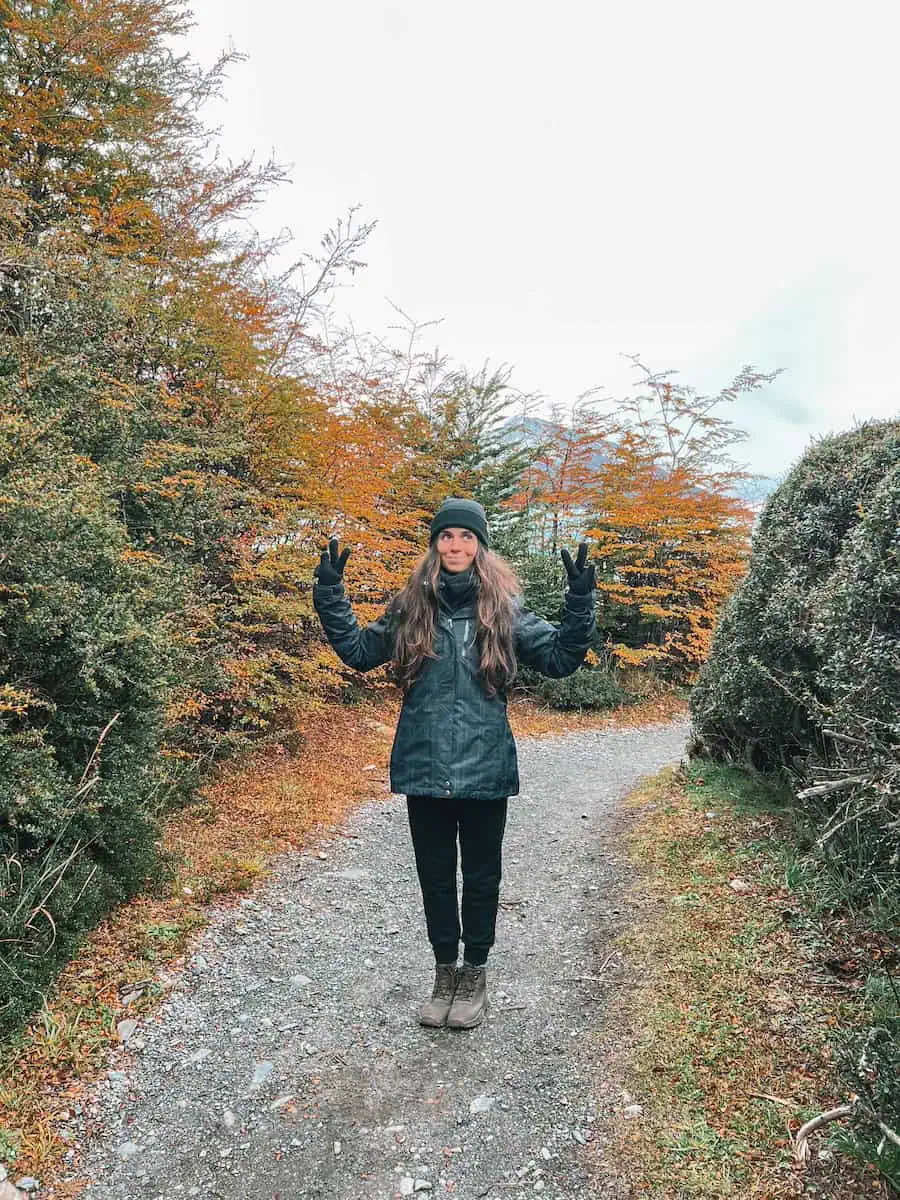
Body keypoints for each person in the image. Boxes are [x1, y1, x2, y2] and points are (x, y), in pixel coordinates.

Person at [312, 497, 596, 1030]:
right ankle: (445, 975)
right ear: (435, 545)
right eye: (447, 537)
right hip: (424, 766)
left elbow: (559, 659)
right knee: (436, 878)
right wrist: (330, 594)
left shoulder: (503, 610)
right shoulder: (412, 609)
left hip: (486, 768)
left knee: (482, 877)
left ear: (480, 547)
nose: (457, 546)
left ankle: (475, 977)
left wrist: (579, 602)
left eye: (467, 537)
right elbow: (356, 650)